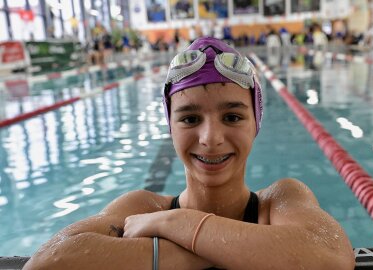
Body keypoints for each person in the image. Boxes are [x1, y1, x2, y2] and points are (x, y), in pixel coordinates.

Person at [23, 37, 355, 270]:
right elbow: (49, 262)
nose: (210, 138)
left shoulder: (281, 200)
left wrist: (177, 223)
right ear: (171, 127)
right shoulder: (140, 206)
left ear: (256, 123)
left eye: (232, 117)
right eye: (190, 119)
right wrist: (253, 250)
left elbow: (330, 256)